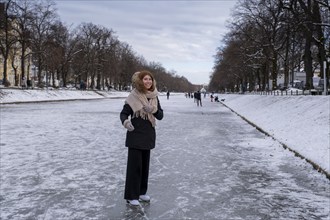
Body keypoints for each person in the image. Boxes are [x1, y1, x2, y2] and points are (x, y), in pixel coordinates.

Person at [120, 70, 164, 206]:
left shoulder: (154, 96)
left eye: (150, 79)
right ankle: (131, 196)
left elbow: (161, 115)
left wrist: (154, 110)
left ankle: (141, 192)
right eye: (145, 79)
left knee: (145, 166)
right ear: (140, 81)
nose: (148, 81)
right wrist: (126, 123)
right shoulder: (133, 96)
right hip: (135, 135)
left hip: (148, 136)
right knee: (134, 167)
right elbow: (123, 113)